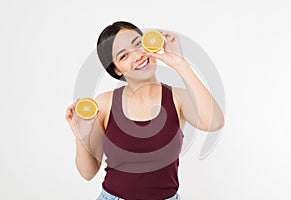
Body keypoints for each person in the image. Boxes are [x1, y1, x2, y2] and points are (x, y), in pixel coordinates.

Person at [65, 21, 225, 200]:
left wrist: (179, 63)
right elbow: (88, 173)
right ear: (116, 70)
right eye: (123, 56)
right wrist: (81, 136)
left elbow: (215, 122)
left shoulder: (177, 98)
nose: (138, 56)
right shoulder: (104, 103)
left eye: (138, 44)